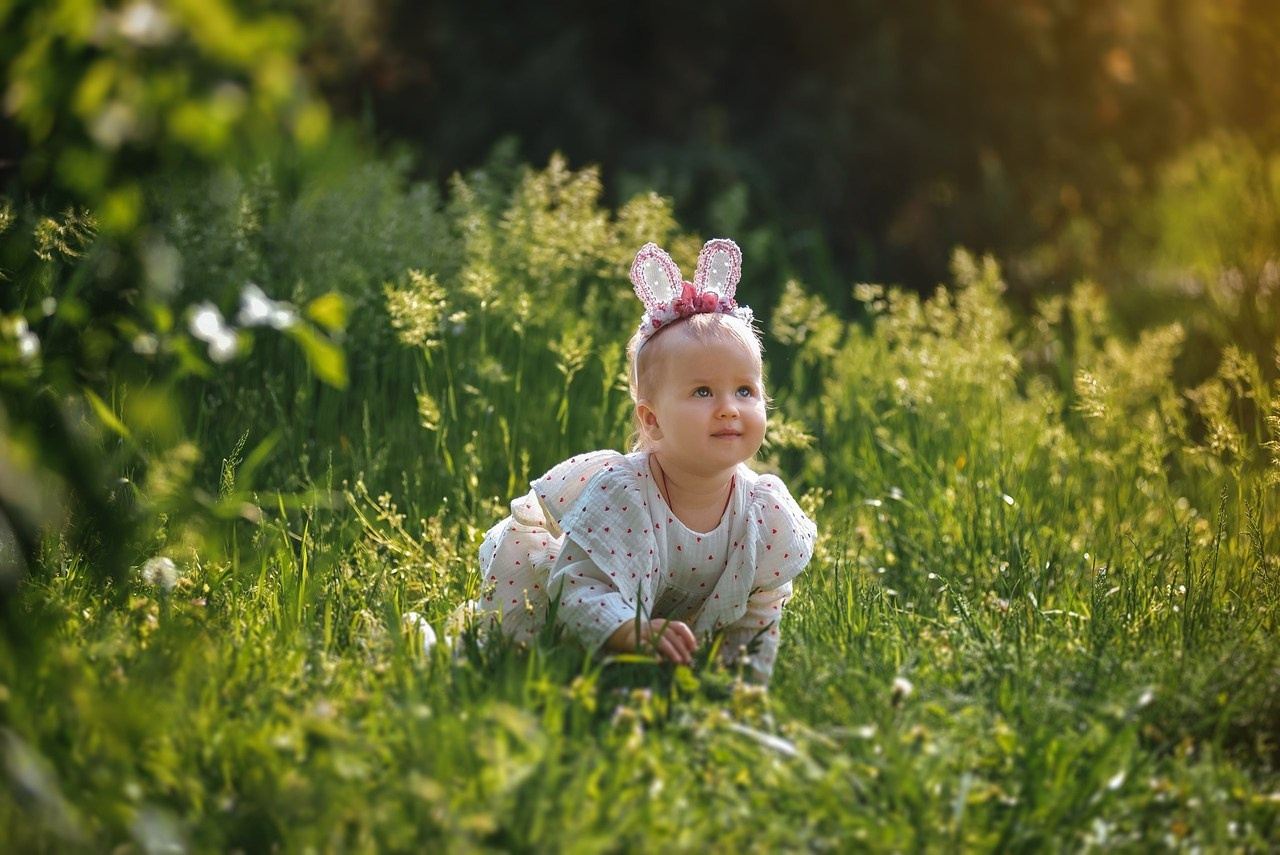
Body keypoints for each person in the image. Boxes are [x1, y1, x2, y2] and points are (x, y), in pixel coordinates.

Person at [476, 238, 816, 683]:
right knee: (541, 656)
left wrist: (741, 680)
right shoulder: (625, 493)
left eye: (745, 391)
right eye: (702, 392)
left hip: (673, 643)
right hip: (572, 629)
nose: (729, 407)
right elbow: (577, 586)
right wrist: (627, 631)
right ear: (652, 421)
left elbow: (761, 607)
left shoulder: (760, 511)